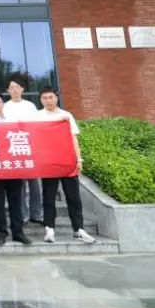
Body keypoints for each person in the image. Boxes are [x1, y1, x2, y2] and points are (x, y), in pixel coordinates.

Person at [35, 89, 96, 244]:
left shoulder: (66, 115)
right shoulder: (37, 116)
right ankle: (49, 229)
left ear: (56, 98)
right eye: (44, 98)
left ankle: (79, 229)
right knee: (49, 197)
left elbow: (73, 138)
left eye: (51, 97)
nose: (48, 100)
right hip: (49, 163)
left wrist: (79, 159)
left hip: (67, 161)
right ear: (41, 100)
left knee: (73, 197)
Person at [0, 94, 31, 246]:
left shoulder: (12, 120)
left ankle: (18, 232)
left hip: (13, 166)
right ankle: (1, 233)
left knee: (16, 201)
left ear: (3, 103)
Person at [3, 76, 42, 224]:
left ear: (22, 89)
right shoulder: (5, 107)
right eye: (12, 87)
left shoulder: (30, 106)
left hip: (30, 148)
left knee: (35, 183)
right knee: (19, 185)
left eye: (17, 87)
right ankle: (23, 214)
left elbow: (37, 125)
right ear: (8, 90)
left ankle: (37, 213)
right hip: (13, 148)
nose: (15, 90)